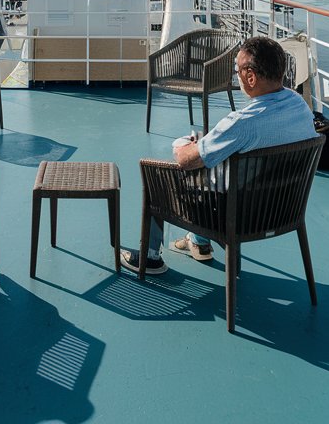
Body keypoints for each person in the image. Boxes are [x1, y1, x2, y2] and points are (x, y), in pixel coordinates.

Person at [122, 36, 317, 274]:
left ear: (251, 78)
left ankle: (150, 258)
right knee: (215, 164)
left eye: (237, 71)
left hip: (236, 216)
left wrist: (183, 146)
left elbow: (184, 161)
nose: (236, 76)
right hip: (283, 209)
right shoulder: (300, 107)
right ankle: (199, 242)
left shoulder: (242, 123)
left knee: (161, 178)